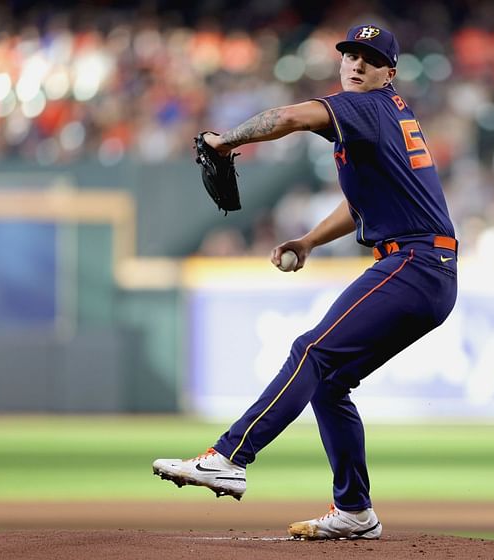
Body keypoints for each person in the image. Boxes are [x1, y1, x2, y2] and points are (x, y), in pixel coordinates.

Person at [152, 24, 458, 540]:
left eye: (369, 58)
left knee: (312, 351)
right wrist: (311, 241)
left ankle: (229, 455)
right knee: (331, 382)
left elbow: (291, 116)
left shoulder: (366, 107)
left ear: (390, 72)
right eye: (349, 55)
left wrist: (225, 140)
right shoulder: (383, 117)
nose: (356, 65)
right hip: (423, 267)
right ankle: (355, 511)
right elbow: (362, 202)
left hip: (416, 262)